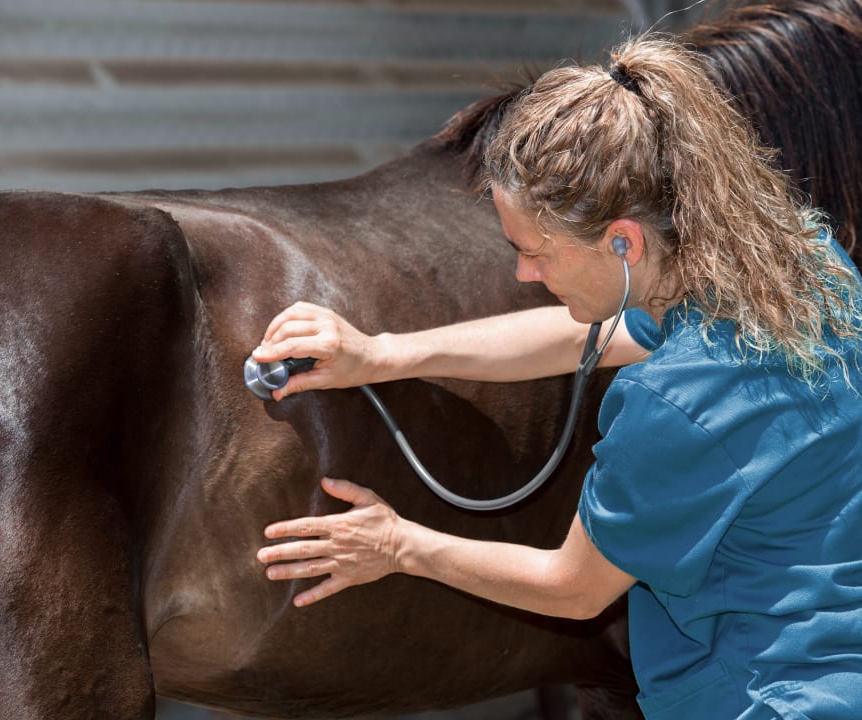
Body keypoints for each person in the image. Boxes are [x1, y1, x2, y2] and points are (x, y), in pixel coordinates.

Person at [253, 36, 862, 719]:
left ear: (624, 242)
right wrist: (385, 353)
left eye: (534, 252)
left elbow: (574, 588)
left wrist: (397, 544)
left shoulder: (675, 405)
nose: (523, 275)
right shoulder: (799, 265)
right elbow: (589, 337)